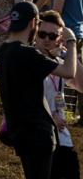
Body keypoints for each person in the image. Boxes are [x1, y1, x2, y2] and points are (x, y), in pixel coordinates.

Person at [0, 1, 77, 179]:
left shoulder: (4, 51)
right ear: (34, 23)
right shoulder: (28, 54)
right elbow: (69, 72)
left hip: (20, 133)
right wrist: (71, 42)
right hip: (39, 134)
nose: (46, 39)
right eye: (42, 34)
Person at [34, 11, 81, 179]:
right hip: (40, 138)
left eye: (52, 36)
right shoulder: (28, 60)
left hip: (62, 138)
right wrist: (48, 117)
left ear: (59, 39)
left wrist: (69, 47)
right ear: (35, 34)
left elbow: (81, 84)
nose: (46, 39)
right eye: (42, 34)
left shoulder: (61, 63)